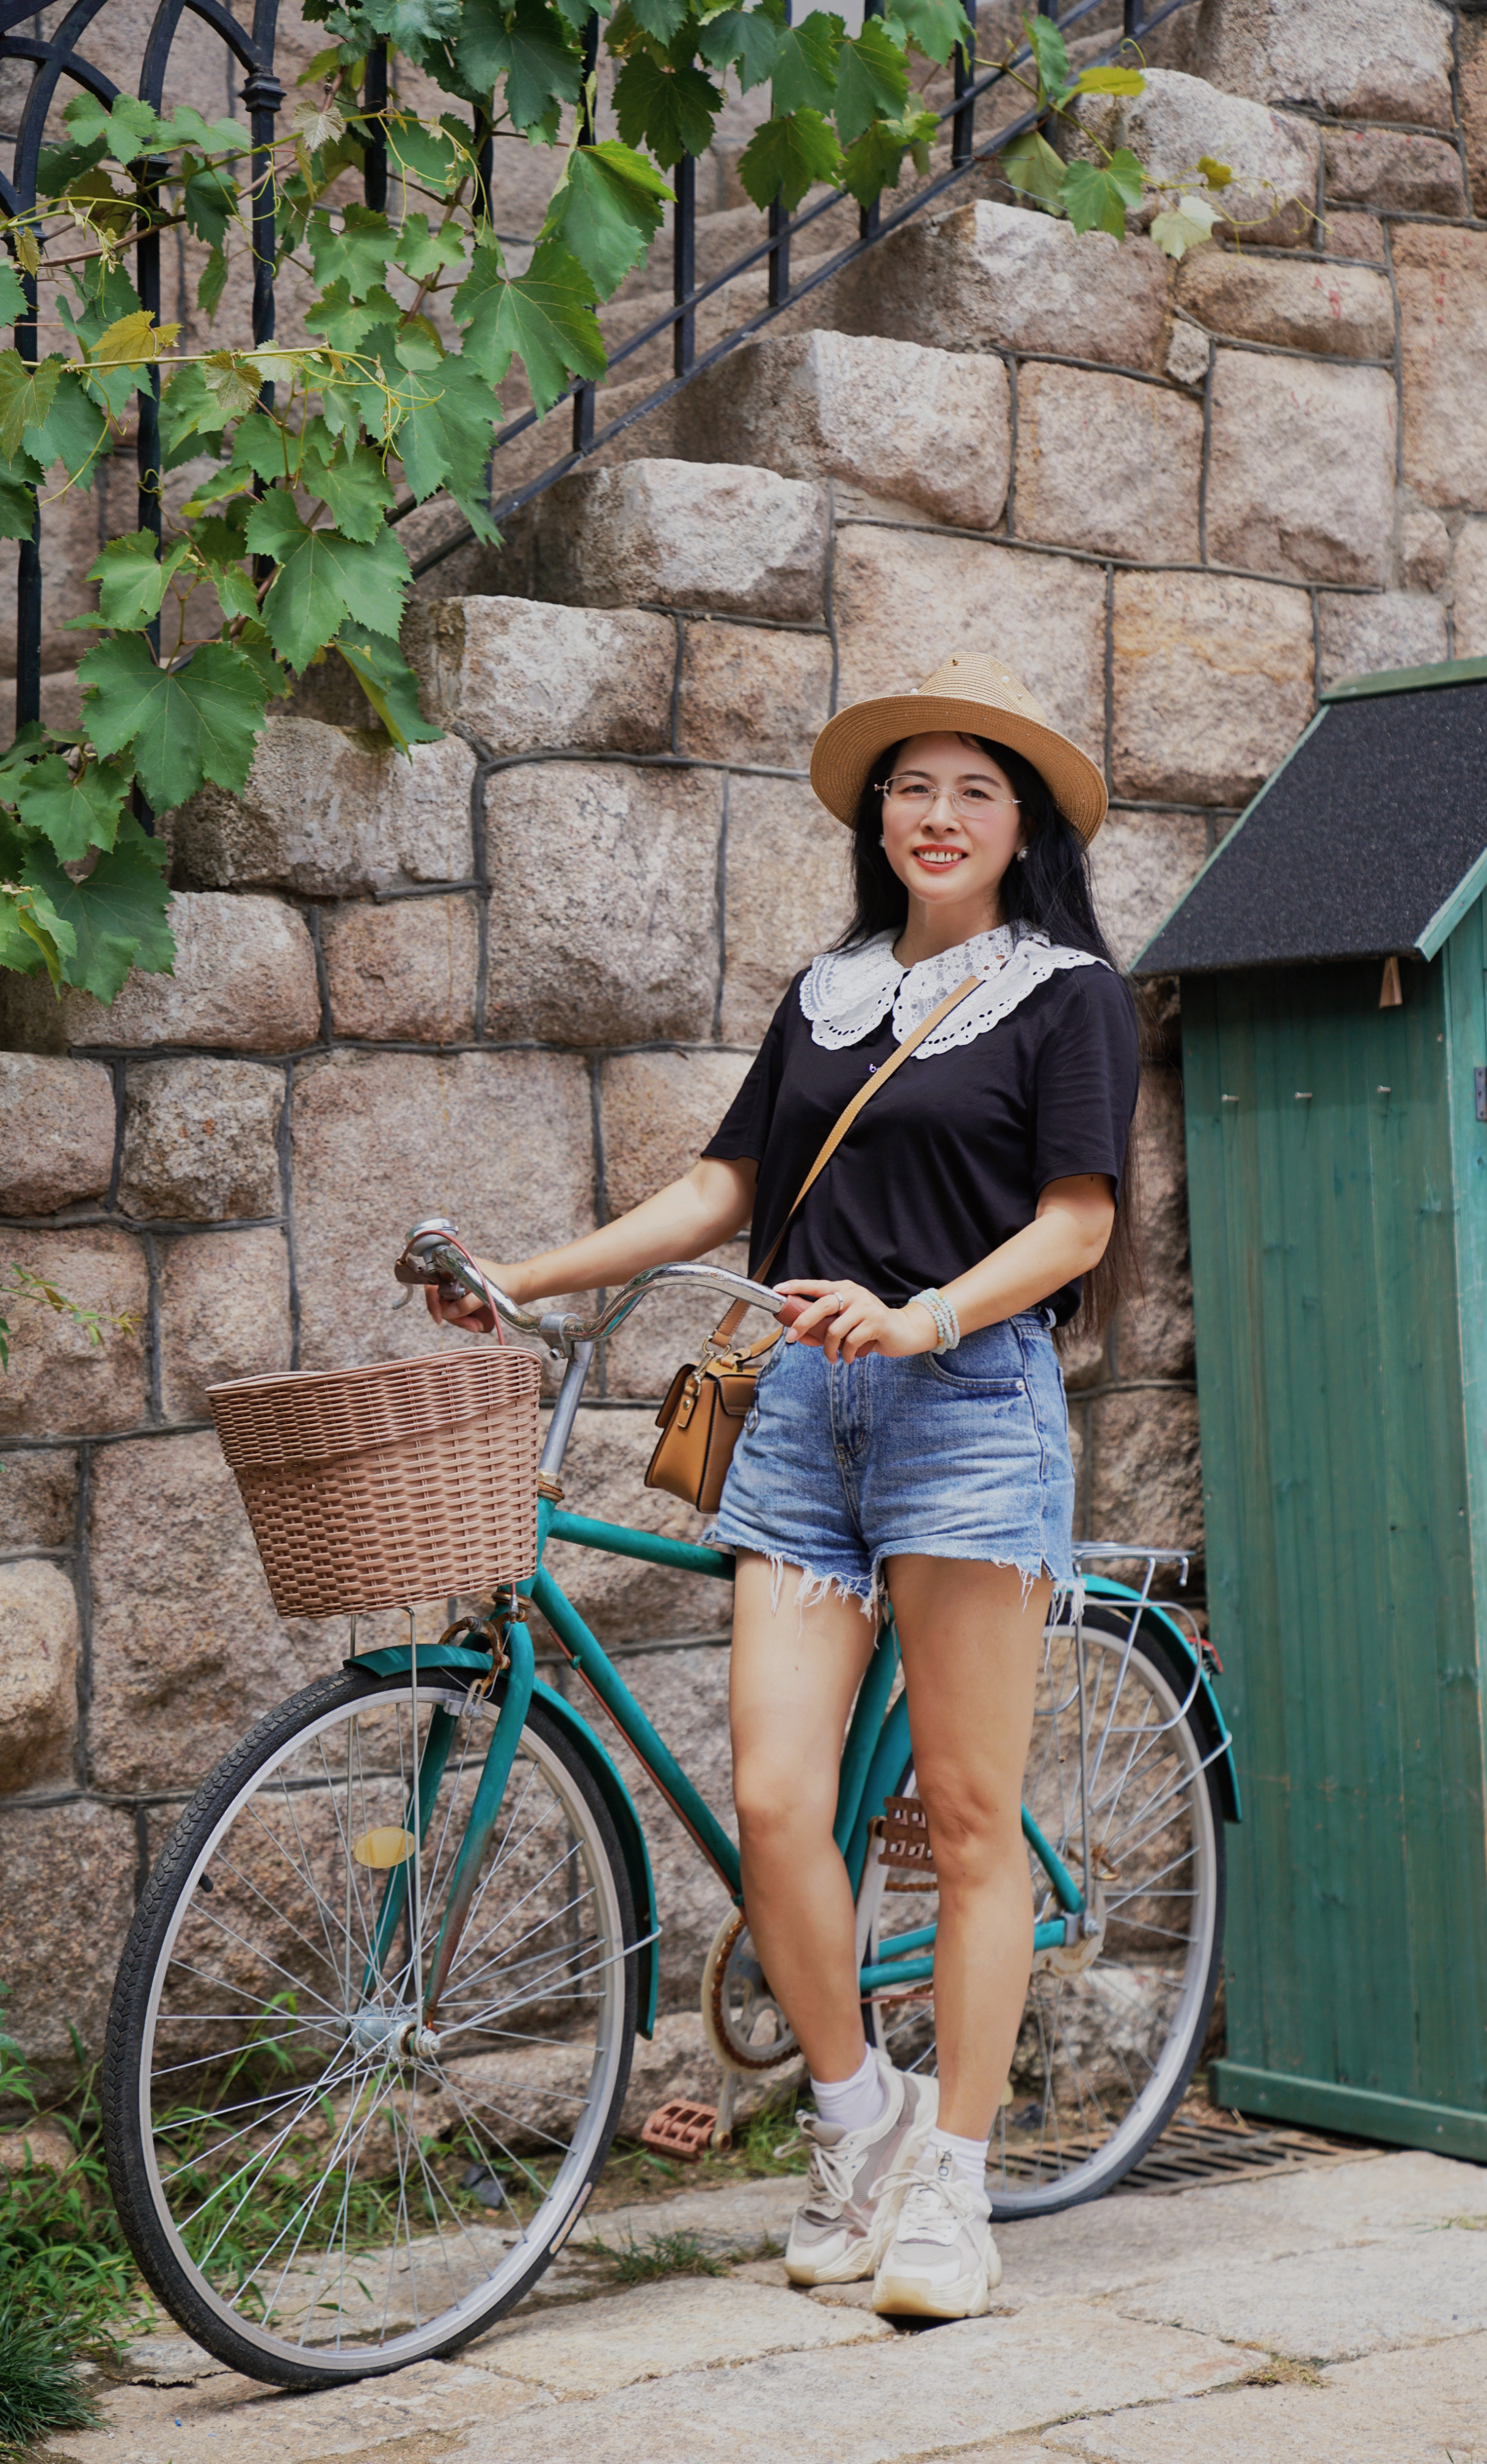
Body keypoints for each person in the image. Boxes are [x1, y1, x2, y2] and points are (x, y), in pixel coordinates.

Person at [431, 651, 1140, 2320]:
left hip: (967, 1402)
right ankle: (857, 2119)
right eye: (913, 786)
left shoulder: (1067, 992)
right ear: (877, 820)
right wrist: (526, 1280)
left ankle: (955, 2195)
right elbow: (719, 1190)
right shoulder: (829, 991)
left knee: (967, 1820)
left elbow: (1079, 1223)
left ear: (1023, 822)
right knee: (774, 1805)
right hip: (804, 1420)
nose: (939, 813)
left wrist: (927, 1315)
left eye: (976, 788)